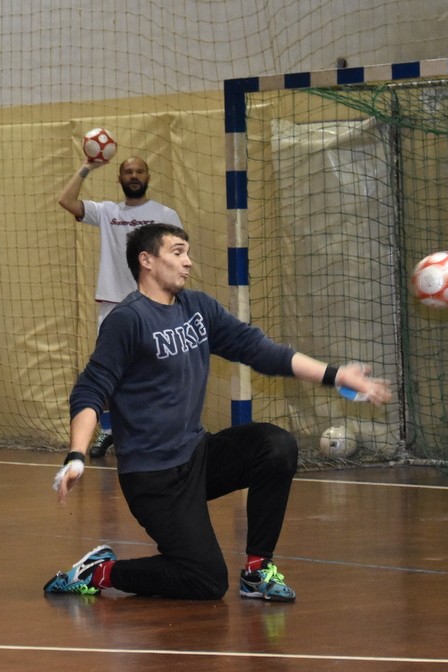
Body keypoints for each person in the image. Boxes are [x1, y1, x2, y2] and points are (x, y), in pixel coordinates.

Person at [43, 223, 392, 602]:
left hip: (196, 455)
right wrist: (76, 455)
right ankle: (100, 572)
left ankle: (257, 571)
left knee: (275, 446)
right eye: (177, 252)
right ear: (147, 260)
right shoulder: (128, 320)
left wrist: (337, 375)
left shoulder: (198, 309)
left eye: (188, 253)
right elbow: (90, 390)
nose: (188, 262)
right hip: (153, 476)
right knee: (205, 580)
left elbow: (259, 350)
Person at [57, 155, 182, 458]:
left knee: (157, 370)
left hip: (153, 304)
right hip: (114, 306)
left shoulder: (165, 215)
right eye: (128, 172)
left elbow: (178, 257)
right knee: (108, 372)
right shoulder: (107, 212)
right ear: (119, 178)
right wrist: (87, 166)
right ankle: (108, 431)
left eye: (139, 171)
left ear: (148, 176)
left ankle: (159, 431)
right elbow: (66, 200)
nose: (134, 175)